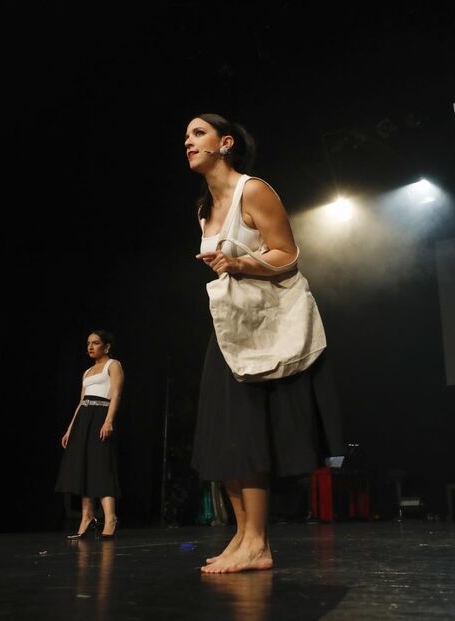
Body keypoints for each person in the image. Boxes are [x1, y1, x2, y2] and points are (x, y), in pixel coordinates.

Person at [185, 113, 342, 573]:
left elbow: (288, 254)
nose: (189, 142)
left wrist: (238, 266)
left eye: (199, 133)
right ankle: (241, 536)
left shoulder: (253, 190)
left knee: (249, 433)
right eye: (186, 136)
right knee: (227, 436)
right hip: (229, 327)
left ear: (225, 142)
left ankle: (258, 541)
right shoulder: (201, 208)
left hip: (263, 330)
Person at [55, 330, 124, 539]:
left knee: (101, 467)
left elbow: (116, 394)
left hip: (101, 415)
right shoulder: (87, 373)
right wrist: (70, 428)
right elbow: (81, 402)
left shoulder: (113, 365)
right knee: (83, 468)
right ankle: (87, 517)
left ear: (107, 346)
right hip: (84, 419)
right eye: (88, 343)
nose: (90, 347)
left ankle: (110, 517)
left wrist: (109, 420)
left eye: (95, 343)